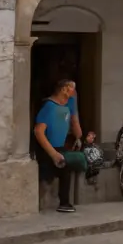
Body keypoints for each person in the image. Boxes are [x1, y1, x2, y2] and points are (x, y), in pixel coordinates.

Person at [33, 78, 84, 213]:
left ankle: (64, 202)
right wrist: (53, 154)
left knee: (70, 165)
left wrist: (75, 110)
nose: (74, 93)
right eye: (72, 89)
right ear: (64, 90)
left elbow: (78, 133)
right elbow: (39, 131)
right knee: (59, 168)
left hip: (60, 147)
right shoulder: (49, 106)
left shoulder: (67, 106)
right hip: (48, 149)